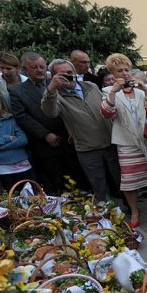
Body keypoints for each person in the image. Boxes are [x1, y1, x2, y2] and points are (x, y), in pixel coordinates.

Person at [41, 59, 120, 201]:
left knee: (119, 178)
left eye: (70, 73)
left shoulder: (90, 86)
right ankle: (105, 213)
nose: (68, 76)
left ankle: (131, 207)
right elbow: (50, 112)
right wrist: (51, 88)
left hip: (111, 141)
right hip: (87, 147)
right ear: (54, 77)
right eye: (62, 74)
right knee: (98, 185)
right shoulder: (55, 96)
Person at [100, 53, 147, 228]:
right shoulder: (108, 91)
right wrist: (113, 91)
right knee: (129, 181)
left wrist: (146, 89)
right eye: (120, 71)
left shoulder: (141, 90)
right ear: (113, 73)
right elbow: (107, 113)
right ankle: (135, 211)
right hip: (127, 142)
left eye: (127, 69)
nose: (125, 73)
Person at [10, 52, 84, 194]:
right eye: (34, 67)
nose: (39, 70)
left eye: (42, 67)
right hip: (45, 145)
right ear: (25, 69)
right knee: (57, 182)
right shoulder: (17, 91)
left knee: (77, 178)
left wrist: (71, 129)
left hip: (69, 140)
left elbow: (71, 106)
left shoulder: (59, 83)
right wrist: (45, 134)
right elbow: (22, 117)